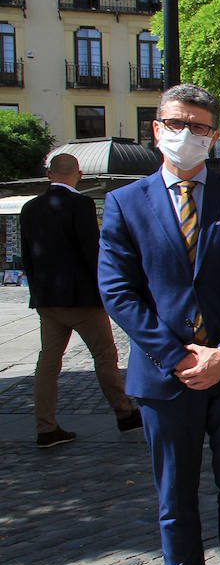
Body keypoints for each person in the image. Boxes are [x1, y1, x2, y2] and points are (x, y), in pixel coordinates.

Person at [98, 84, 220, 565]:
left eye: (200, 126)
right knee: (175, 495)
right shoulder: (125, 203)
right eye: (177, 123)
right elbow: (118, 290)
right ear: (156, 128)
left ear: (214, 135)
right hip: (163, 377)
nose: (187, 134)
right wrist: (175, 355)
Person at [21, 153, 141, 447]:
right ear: (80, 174)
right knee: (104, 356)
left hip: (48, 300)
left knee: (48, 363)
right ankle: (125, 413)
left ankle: (45, 426)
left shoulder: (30, 208)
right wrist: (106, 290)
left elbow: (27, 256)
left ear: (48, 174)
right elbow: (92, 251)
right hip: (83, 299)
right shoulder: (81, 204)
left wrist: (38, 292)